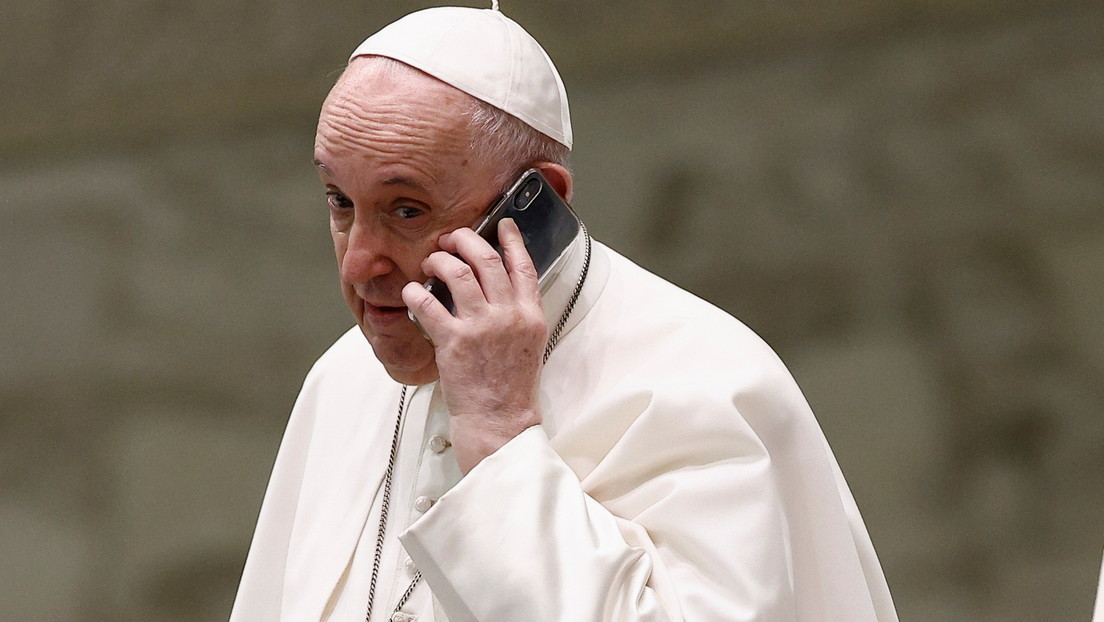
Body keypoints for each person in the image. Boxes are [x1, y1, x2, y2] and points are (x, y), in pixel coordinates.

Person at [229, 5, 899, 621]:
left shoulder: (709, 382)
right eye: (340, 202)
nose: (358, 265)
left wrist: (499, 436)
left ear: (536, 199)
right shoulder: (341, 381)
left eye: (407, 210)